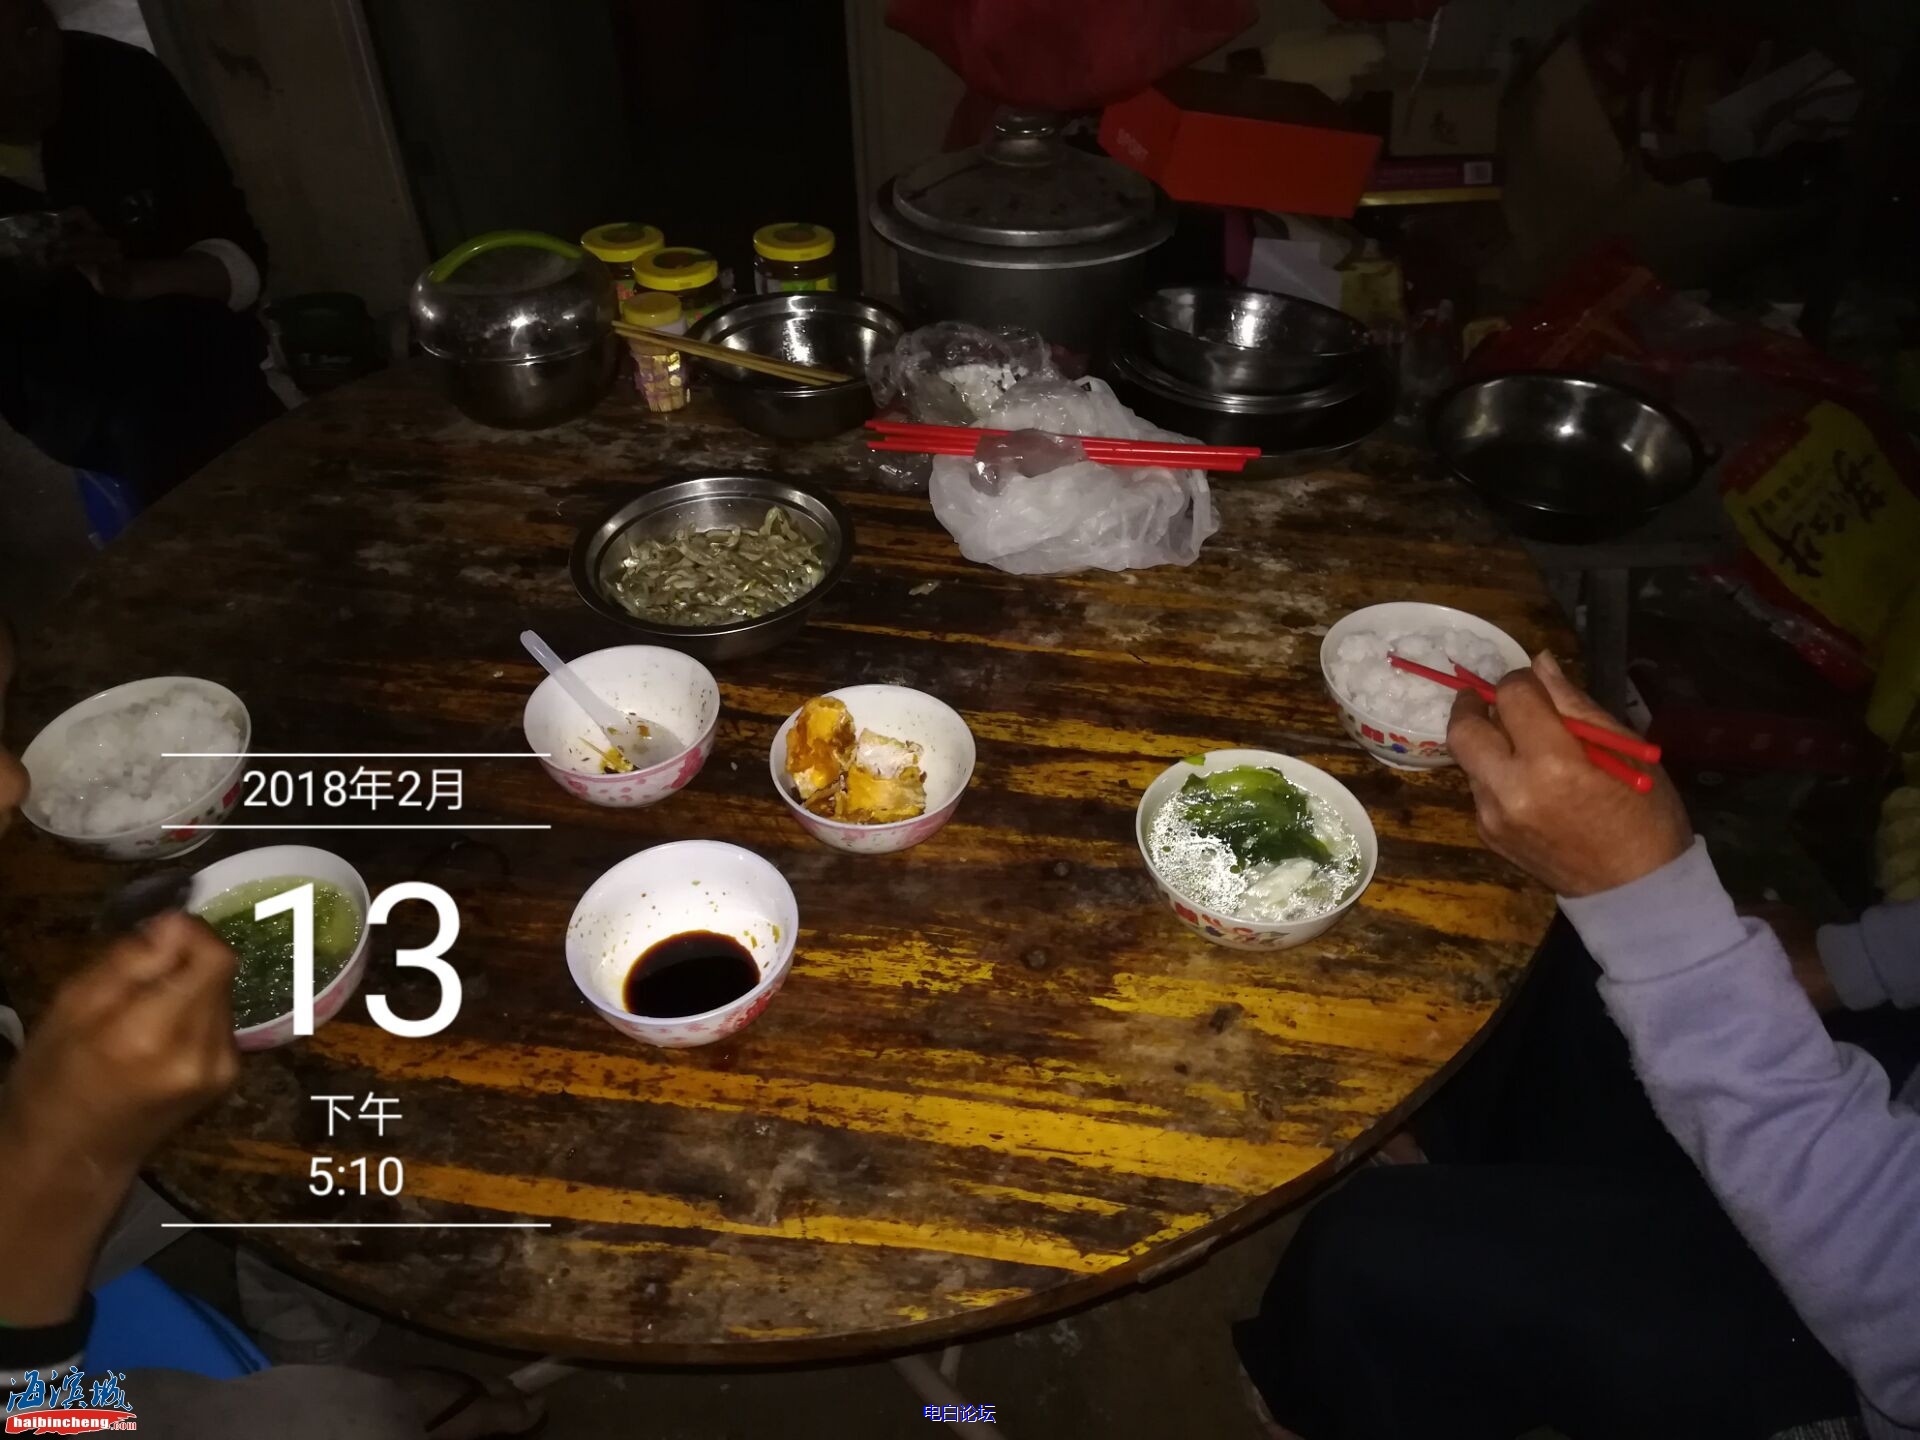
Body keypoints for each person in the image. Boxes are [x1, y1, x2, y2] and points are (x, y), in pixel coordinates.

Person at [1237, 652, 1920, 1440]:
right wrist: (1856, 960)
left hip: (1869, 1351)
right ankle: (1473, 1167)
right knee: (1569, 963)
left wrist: (1661, 916)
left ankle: (1330, 1402)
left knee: (1372, 1255)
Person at [0, 627, 543, 1439]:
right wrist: (60, 1153)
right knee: (337, 1420)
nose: (13, 782)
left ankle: (314, 1331)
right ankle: (369, 1389)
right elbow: (24, 1408)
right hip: (33, 1384)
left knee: (288, 1118)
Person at [0, 0, 281, 502]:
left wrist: (132, 278)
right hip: (61, 387)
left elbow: (242, 254)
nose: (24, 73)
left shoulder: (123, 80)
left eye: (32, 31)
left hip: (196, 344)